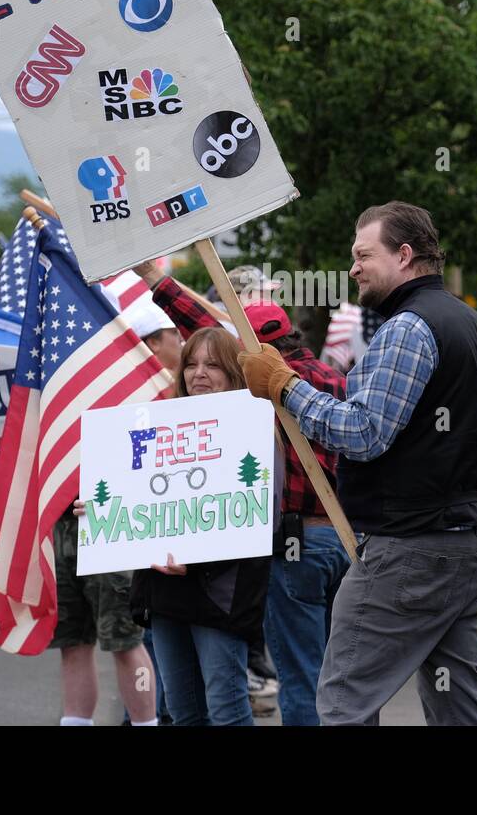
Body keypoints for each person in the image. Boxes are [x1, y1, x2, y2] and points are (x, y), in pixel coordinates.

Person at [238, 201, 477, 726]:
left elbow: (362, 433)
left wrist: (285, 386)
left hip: (409, 548)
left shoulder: (408, 328)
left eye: (364, 255)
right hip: (469, 547)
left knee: (343, 701)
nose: (353, 269)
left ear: (404, 255)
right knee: (460, 707)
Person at [133, 262, 351, 725]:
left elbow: (201, 328)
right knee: (341, 673)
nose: (205, 371)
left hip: (291, 546)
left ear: (247, 355)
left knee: (298, 673)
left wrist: (158, 281)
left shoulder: (260, 391)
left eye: (222, 360)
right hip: (341, 540)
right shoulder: (334, 382)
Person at [127, 328, 273, 726]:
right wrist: (101, 512)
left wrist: (197, 559)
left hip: (219, 595)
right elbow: (137, 497)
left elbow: (261, 517)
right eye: (191, 364)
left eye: (212, 364)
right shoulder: (157, 425)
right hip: (165, 591)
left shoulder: (256, 425)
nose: (199, 373)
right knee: (183, 711)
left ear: (232, 371)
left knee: (226, 710)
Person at [53, 300, 178, 726]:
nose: (178, 344)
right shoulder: (74, 380)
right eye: (171, 337)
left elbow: (160, 469)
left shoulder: (159, 396)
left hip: (112, 529)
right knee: (73, 639)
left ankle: (145, 723)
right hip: (64, 524)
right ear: (149, 344)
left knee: (124, 639)